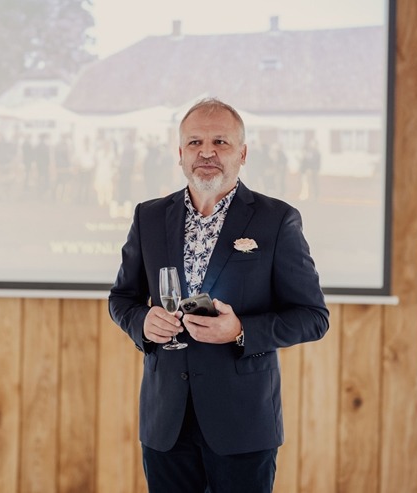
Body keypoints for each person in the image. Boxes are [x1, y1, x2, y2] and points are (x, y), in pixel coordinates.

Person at [108, 98, 329, 493]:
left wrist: (241, 330)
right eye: (194, 142)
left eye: (220, 142)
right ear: (180, 154)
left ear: (242, 153)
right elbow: (122, 298)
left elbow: (313, 316)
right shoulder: (149, 216)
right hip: (165, 422)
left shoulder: (276, 219)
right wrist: (141, 322)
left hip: (243, 421)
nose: (206, 152)